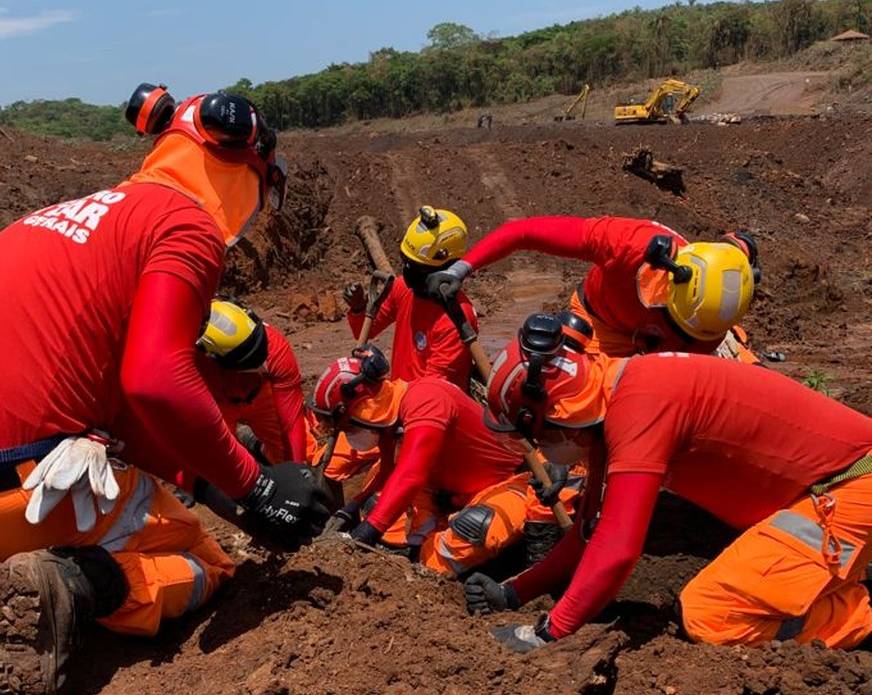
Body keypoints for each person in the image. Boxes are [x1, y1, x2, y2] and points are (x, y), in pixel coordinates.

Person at [0, 85, 328, 695]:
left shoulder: (72, 214)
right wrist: (256, 490)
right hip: (4, 493)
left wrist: (220, 481)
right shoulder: (186, 225)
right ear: (245, 166)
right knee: (205, 558)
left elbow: (123, 411)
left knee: (161, 493)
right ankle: (80, 586)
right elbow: (153, 379)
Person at [466, 312, 872, 652]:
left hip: (846, 490)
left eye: (539, 436)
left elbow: (619, 549)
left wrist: (548, 632)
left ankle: (860, 616)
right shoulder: (616, 394)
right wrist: (514, 593)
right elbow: (591, 533)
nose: (543, 448)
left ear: (557, 414)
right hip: (826, 492)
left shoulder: (640, 407)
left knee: (710, 614)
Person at [310, 346, 574, 576]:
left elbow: (410, 475)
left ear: (358, 408)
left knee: (471, 530)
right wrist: (350, 511)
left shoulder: (426, 400)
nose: (346, 433)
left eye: (344, 426)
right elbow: (390, 471)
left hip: (505, 482)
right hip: (443, 489)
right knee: (376, 507)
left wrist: (365, 533)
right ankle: (421, 544)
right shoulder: (392, 412)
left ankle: (442, 565)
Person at [425, 215, 762, 359]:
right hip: (600, 325)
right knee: (571, 398)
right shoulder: (626, 243)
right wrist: (460, 268)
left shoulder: (709, 325)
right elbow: (523, 232)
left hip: (664, 351)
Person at [329, 207, 479, 484]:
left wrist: (389, 417)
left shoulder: (457, 318)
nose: (407, 272)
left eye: (416, 268)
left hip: (424, 421)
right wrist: (360, 307)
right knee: (330, 465)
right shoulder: (405, 289)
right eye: (405, 262)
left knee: (386, 486)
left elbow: (431, 391)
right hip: (392, 406)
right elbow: (367, 328)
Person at [196, 299, 309, 464]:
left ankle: (255, 446)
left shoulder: (275, 348)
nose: (261, 361)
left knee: (288, 454)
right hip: (216, 402)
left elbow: (292, 423)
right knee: (220, 463)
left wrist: (299, 470)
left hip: (260, 394)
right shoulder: (190, 361)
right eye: (250, 365)